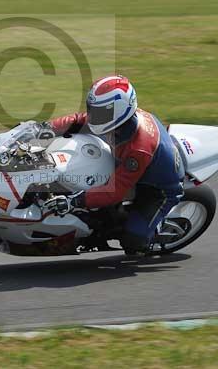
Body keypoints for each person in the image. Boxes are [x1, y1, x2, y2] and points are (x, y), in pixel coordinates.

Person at [42, 75, 185, 254]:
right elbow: (78, 120)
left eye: (100, 111)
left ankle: (152, 229)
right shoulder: (113, 121)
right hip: (129, 167)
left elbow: (115, 191)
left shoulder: (138, 149)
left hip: (158, 188)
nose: (94, 115)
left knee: (133, 243)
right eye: (93, 109)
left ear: (119, 111)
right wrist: (44, 128)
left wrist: (74, 201)